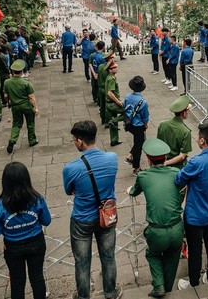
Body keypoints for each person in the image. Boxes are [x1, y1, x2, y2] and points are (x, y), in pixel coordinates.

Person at [63, 121, 122, 299]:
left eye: (74, 140)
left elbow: (68, 190)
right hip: (107, 216)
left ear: (80, 141)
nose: (74, 143)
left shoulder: (71, 168)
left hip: (82, 219)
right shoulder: (113, 158)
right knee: (108, 256)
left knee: (82, 262)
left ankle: (83, 296)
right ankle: (110, 293)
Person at [127, 138, 184, 297]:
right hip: (177, 228)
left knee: (152, 254)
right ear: (165, 158)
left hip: (157, 231)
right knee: (172, 260)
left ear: (147, 158)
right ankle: (167, 289)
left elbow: (133, 191)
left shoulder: (143, 176)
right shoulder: (175, 173)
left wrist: (129, 190)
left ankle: (159, 285)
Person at [175, 121, 208, 290]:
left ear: (202, 141)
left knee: (195, 249)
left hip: (196, 214)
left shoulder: (197, 162)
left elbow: (179, 179)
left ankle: (193, 281)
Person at [0, 162, 52, 299]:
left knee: (17, 282)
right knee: (37, 278)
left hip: (13, 247)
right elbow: (46, 221)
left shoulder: (0, 205)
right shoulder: (37, 199)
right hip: (36, 243)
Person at [3, 60, 40, 154]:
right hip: (26, 105)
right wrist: (36, 108)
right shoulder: (26, 83)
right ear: (22, 71)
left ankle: (12, 140)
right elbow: (31, 97)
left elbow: (6, 96)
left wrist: (8, 103)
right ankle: (32, 140)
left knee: (16, 124)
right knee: (30, 123)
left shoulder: (7, 82)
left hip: (15, 106)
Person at [157, 96, 193, 169]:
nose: (188, 113)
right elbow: (182, 156)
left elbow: (158, 143)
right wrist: (166, 163)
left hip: (161, 161)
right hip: (177, 167)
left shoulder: (162, 124)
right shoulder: (186, 132)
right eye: (187, 111)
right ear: (183, 113)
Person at [123, 76, 149, 175]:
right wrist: (146, 124)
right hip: (138, 125)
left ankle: (130, 155)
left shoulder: (127, 97)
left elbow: (124, 107)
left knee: (139, 141)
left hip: (129, 123)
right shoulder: (143, 102)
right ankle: (136, 168)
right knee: (139, 146)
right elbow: (145, 116)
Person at [104, 61, 124, 147]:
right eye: (114, 68)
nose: (116, 69)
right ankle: (113, 121)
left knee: (113, 123)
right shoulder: (111, 79)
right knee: (128, 111)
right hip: (113, 104)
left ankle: (114, 140)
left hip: (108, 104)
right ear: (110, 70)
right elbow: (110, 93)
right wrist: (118, 102)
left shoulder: (110, 77)